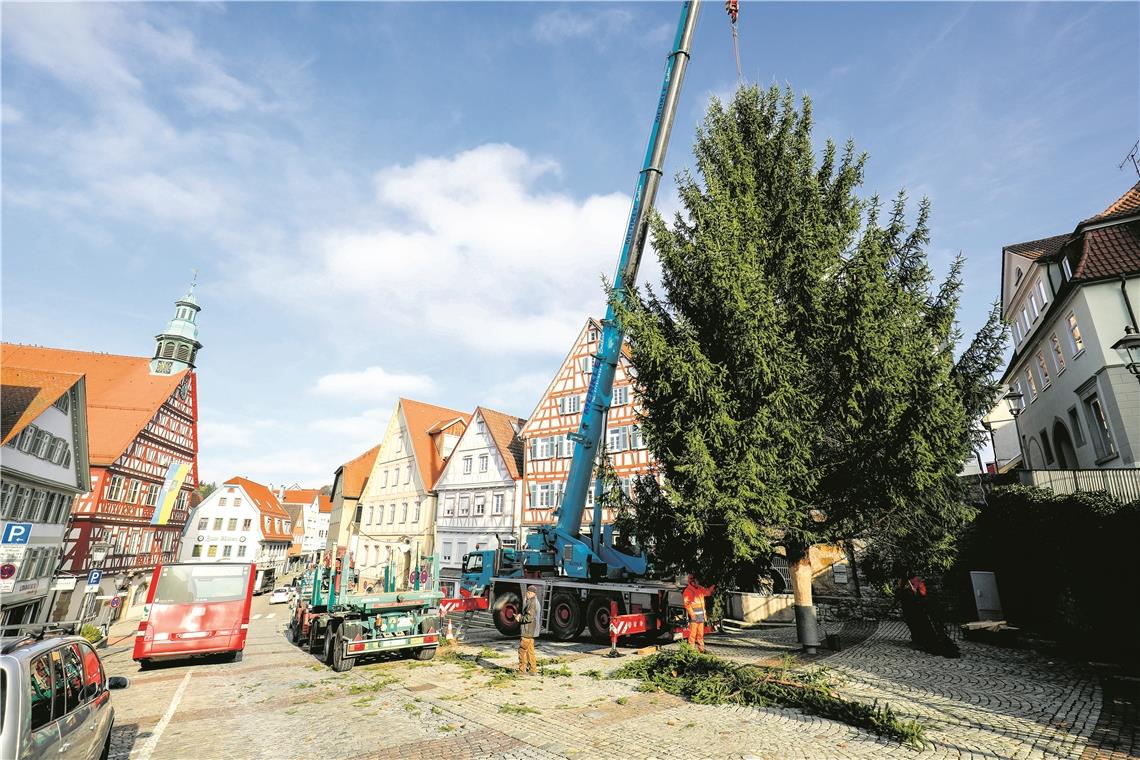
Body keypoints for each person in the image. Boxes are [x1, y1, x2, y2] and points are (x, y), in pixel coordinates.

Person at [682, 574, 716, 653]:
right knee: (693, 634)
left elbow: (707, 593)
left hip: (700, 616)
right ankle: (691, 651)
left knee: (700, 634)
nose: (698, 582)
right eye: (697, 581)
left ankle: (701, 650)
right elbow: (687, 604)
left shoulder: (700, 588)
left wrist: (712, 587)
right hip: (694, 616)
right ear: (692, 582)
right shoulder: (688, 591)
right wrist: (692, 614)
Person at [517, 585, 539, 675]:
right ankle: (533, 670)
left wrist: (520, 618)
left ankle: (522, 671)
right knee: (530, 651)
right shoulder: (534, 601)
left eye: (527, 592)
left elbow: (529, 618)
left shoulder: (532, 603)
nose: (526, 594)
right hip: (531, 632)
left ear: (530, 593)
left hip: (527, 631)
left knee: (522, 651)